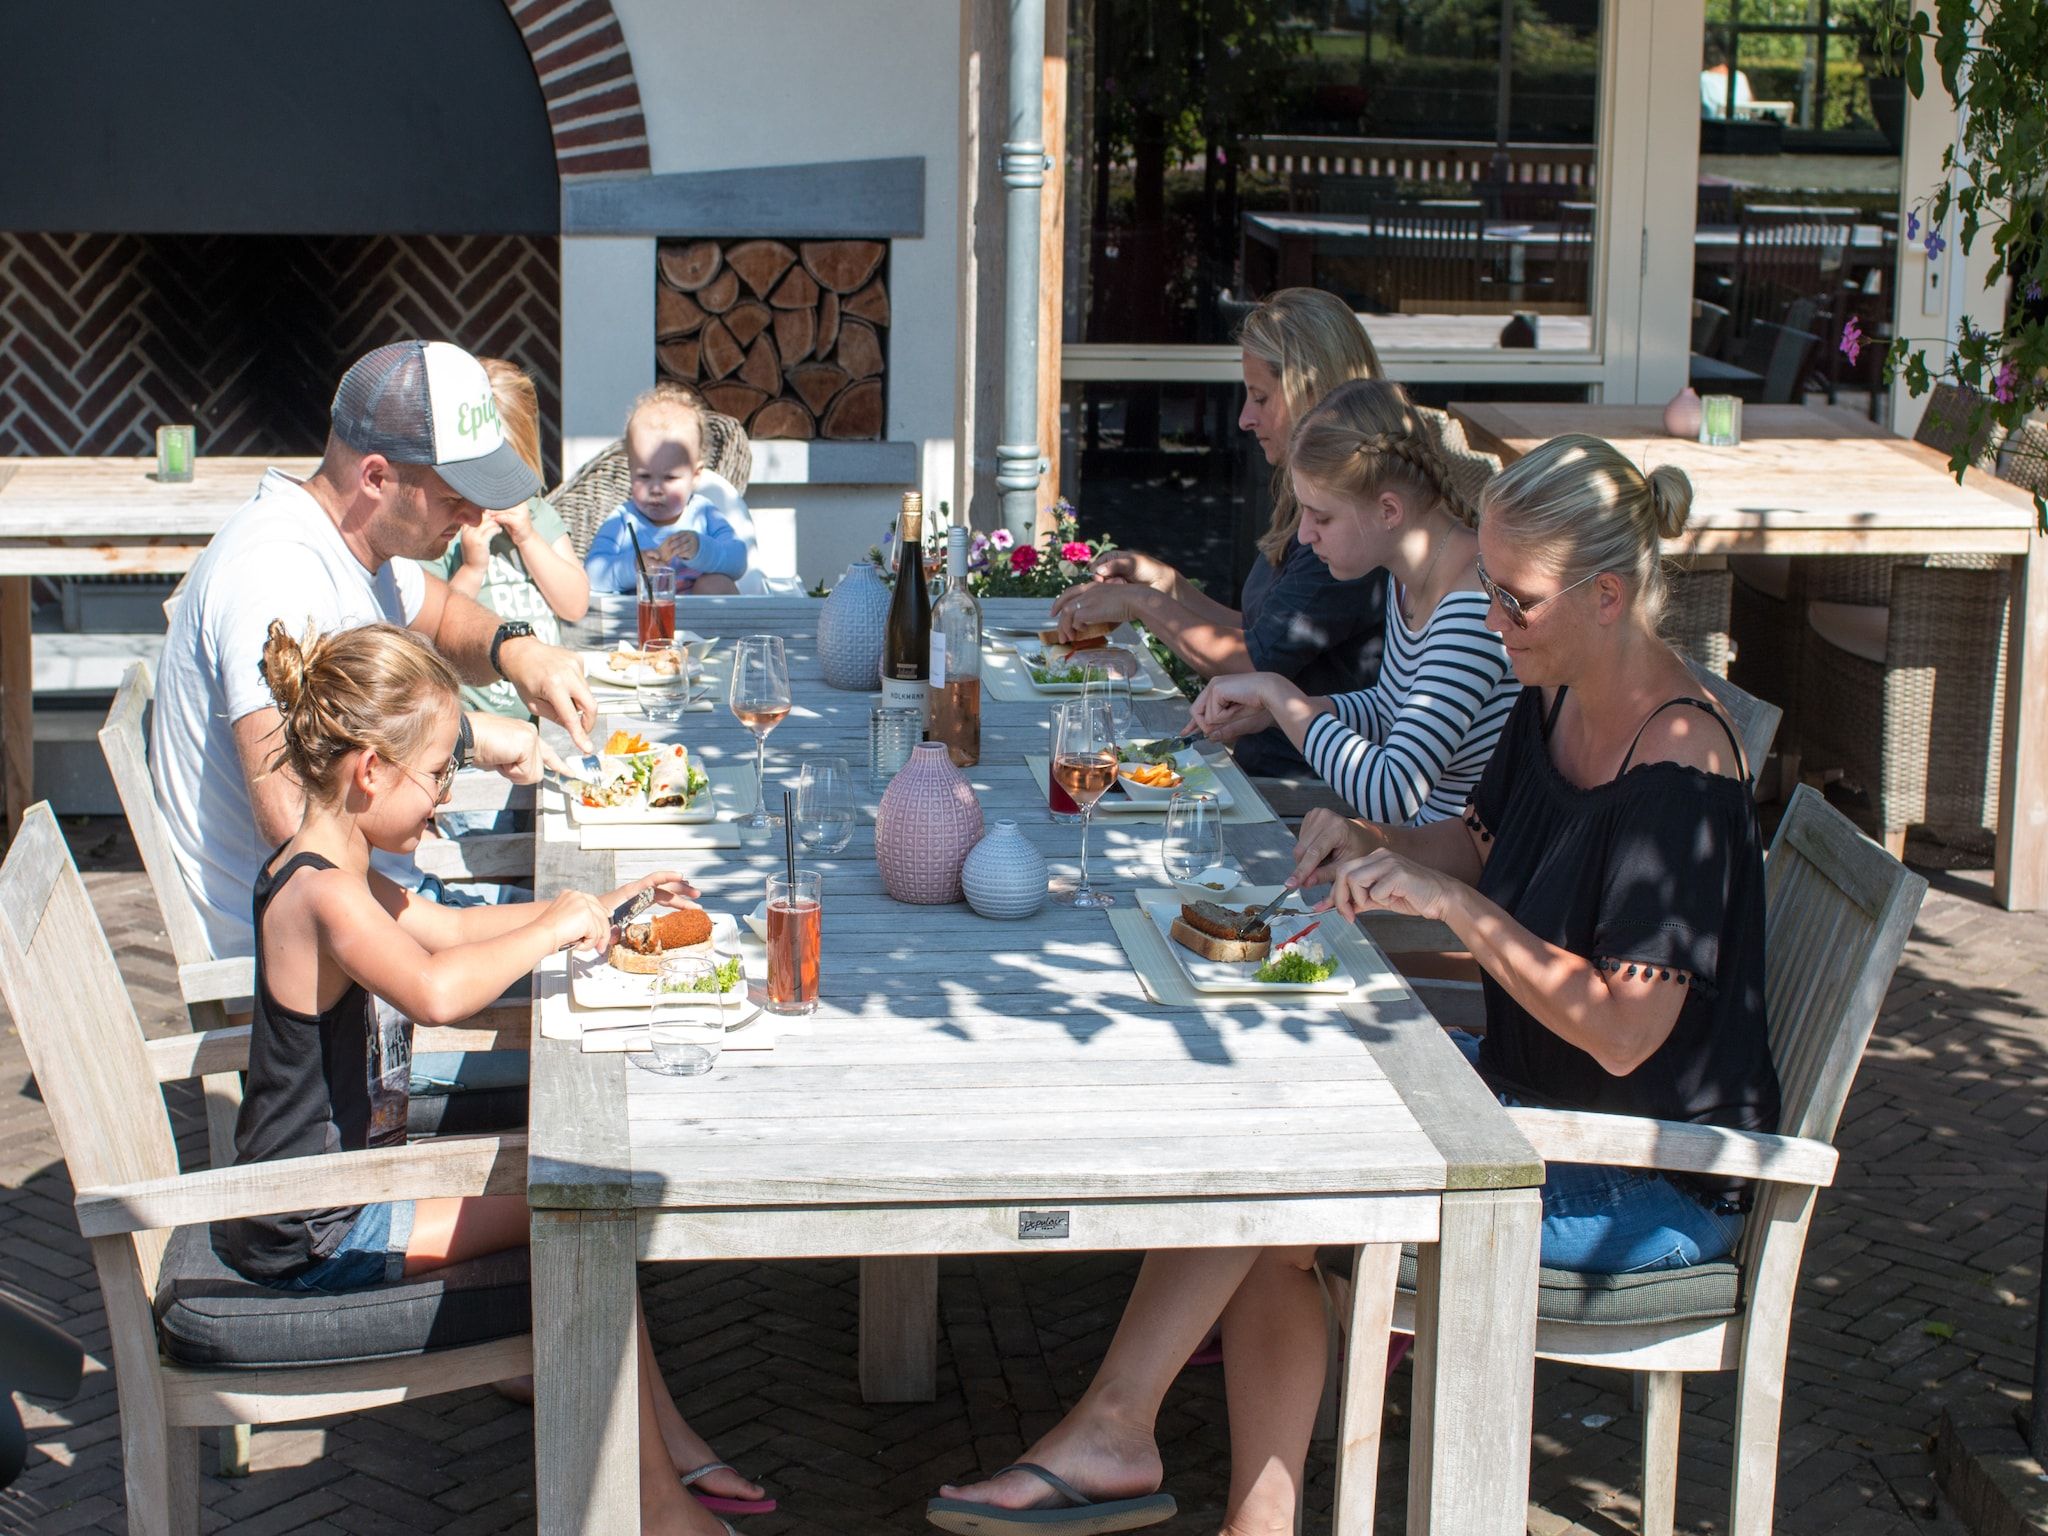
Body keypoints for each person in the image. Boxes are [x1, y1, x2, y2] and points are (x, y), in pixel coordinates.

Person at [932, 436, 1781, 1536]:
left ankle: (1124, 1439)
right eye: (1488, 589)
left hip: (1643, 1175)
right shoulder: (1558, 692)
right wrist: (1373, 843)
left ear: (1608, 596)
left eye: (1515, 600)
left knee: (1291, 1161)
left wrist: (1453, 909)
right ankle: (1190, 1476)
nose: (1492, 622)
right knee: (1274, 1111)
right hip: (1526, 1098)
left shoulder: (1681, 772)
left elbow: (1624, 1034)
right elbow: (1477, 844)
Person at [222, 618, 768, 1536]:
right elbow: (436, 992)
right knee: (584, 1213)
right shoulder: (325, 894)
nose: (445, 797)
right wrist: (552, 930)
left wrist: (591, 905)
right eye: (439, 773)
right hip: (317, 1231)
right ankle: (655, 1502)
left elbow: (448, 929)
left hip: (340, 1196)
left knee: (578, 1198)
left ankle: (660, 1460)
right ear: (370, 771)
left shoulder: (332, 867)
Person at [152, 339, 599, 959]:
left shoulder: (360, 542)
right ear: (375, 477)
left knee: (607, 917)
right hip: (310, 954)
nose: (476, 516)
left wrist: (515, 651)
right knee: (600, 957)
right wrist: (463, 739)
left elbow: (443, 614)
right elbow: (293, 820)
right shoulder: (276, 578)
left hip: (382, 905)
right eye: (455, 496)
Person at [1048, 287, 1387, 776]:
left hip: (1299, 786)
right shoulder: (1321, 509)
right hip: (1259, 764)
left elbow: (1252, 661)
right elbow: (1261, 633)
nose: (1245, 418)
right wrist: (1168, 585)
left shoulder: (1349, 524)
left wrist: (1139, 603)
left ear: (1313, 395)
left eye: (1261, 397)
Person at [1186, 379, 1517, 825]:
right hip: (1411, 851)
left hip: (1449, 861)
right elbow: (1390, 711)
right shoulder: (1408, 579)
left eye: (1322, 516)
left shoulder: (1472, 608)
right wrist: (1280, 712)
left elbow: (1394, 790)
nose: (1305, 534)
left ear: (1389, 511)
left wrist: (1278, 694)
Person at [427, 358, 590, 720]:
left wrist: (528, 538)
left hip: (545, 711)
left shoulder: (538, 515)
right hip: (474, 715)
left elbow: (575, 604)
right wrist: (472, 567)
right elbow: (434, 626)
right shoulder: (449, 526)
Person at [584, 383, 755, 596]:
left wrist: (701, 550)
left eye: (670, 478)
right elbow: (593, 574)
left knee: (716, 583)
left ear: (695, 475)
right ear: (630, 470)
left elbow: (738, 562)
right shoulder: (622, 520)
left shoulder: (704, 513)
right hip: (643, 614)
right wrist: (634, 567)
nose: (656, 489)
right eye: (644, 476)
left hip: (699, 614)